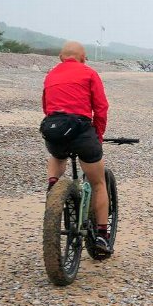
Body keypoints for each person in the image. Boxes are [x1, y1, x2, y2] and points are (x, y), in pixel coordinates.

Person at [40, 41, 112, 255]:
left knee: (57, 154)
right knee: (98, 183)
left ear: (61, 57)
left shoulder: (51, 75)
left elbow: (47, 107)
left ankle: (53, 187)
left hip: (55, 129)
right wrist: (97, 136)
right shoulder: (89, 73)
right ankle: (101, 235)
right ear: (83, 57)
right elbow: (100, 108)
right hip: (81, 129)